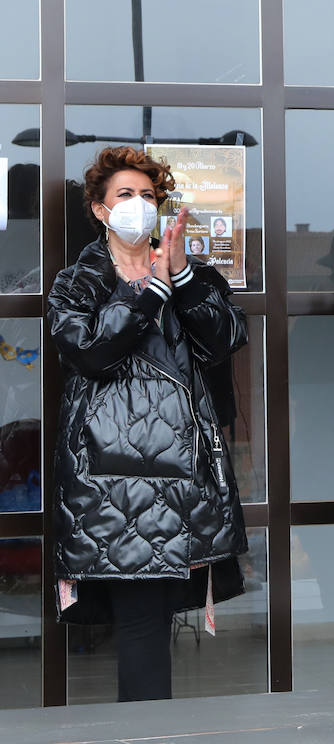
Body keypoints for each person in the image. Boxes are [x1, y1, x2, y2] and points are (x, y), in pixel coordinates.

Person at [48, 146, 248, 702]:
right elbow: (89, 350)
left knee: (156, 624)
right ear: (99, 210)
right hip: (111, 482)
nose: (138, 205)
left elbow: (225, 340)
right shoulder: (78, 282)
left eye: (148, 196)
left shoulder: (190, 275)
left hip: (181, 476)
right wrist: (148, 293)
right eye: (124, 195)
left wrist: (180, 276)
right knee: (139, 626)